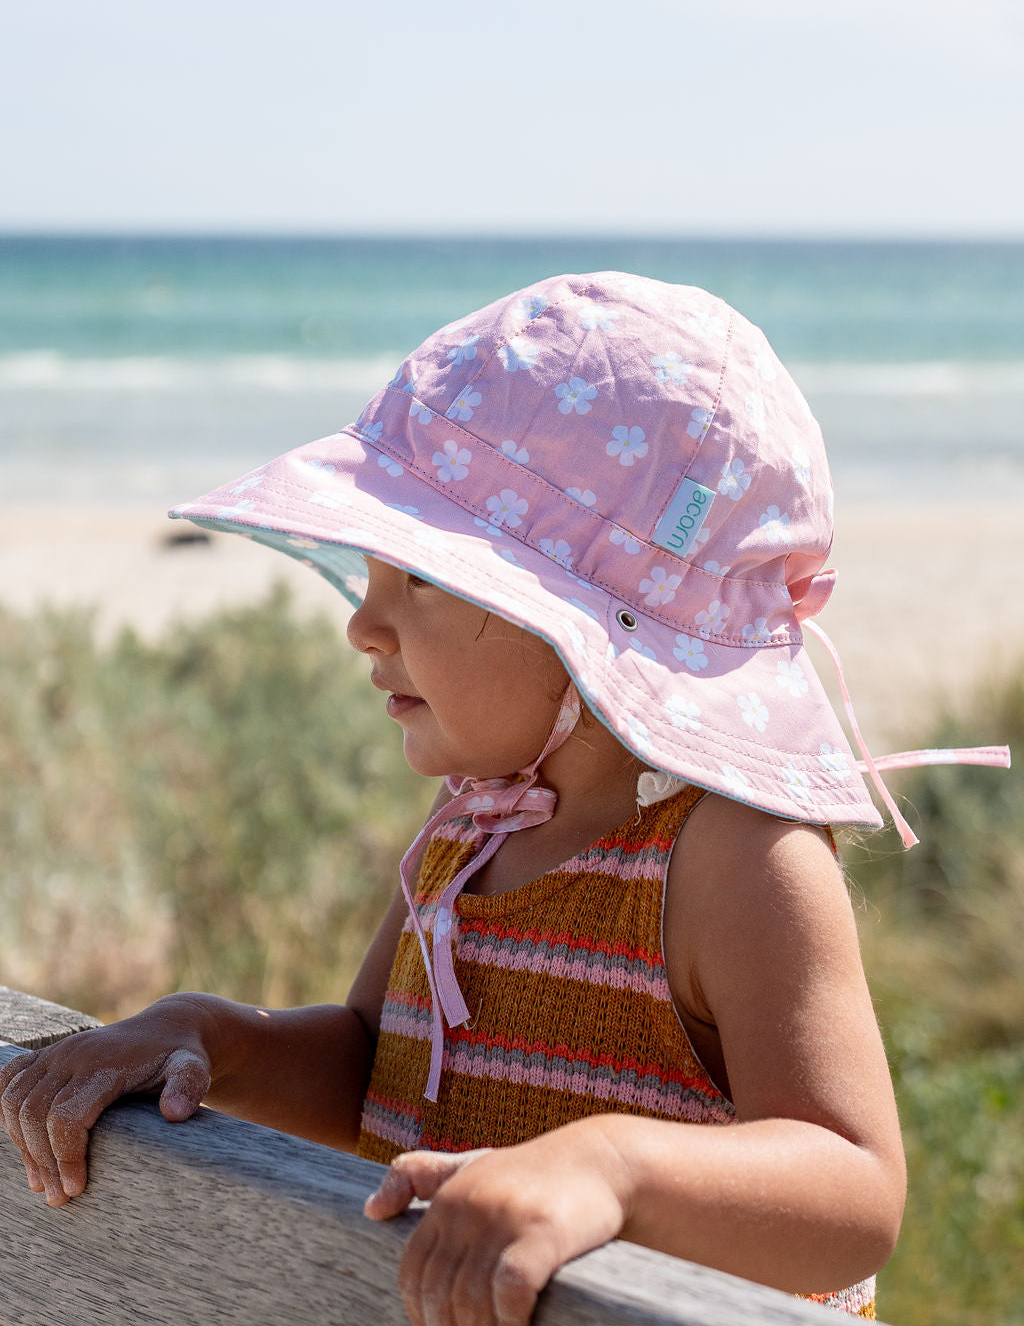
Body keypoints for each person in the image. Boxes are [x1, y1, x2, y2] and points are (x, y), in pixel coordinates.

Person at [0, 273, 1009, 1324]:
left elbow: (852, 1188)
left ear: (585, 629)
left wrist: (608, 1171)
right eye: (376, 570)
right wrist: (214, 1036)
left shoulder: (733, 860)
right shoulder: (469, 830)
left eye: (425, 579)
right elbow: (369, 1069)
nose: (363, 625)